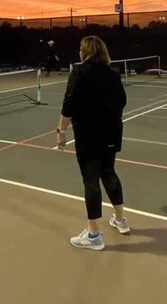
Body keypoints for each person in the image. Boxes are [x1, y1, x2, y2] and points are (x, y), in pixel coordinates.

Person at [56, 36, 130, 251]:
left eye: (81, 48)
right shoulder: (112, 74)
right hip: (112, 132)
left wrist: (61, 131)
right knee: (108, 172)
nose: (79, 51)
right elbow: (122, 101)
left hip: (89, 135)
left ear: (86, 51)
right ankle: (121, 219)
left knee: (91, 179)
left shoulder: (79, 72)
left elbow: (68, 104)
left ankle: (94, 234)